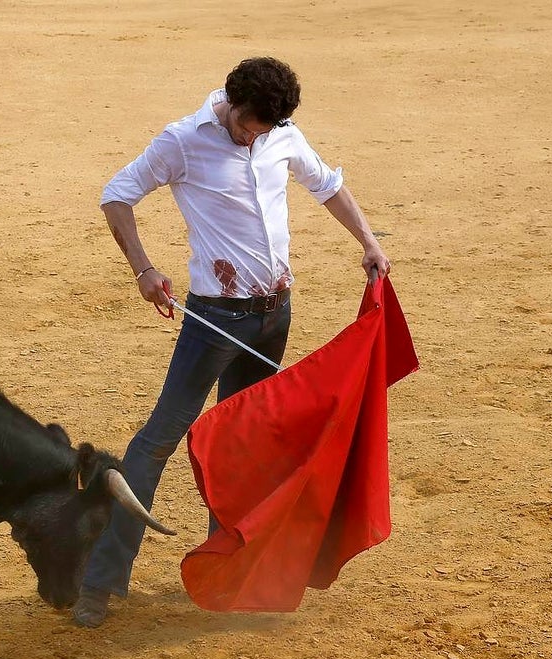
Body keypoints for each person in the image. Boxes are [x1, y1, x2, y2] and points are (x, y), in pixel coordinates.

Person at [73, 57, 391, 628]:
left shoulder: (281, 133)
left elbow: (328, 186)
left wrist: (367, 240)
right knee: (156, 442)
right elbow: (116, 194)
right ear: (231, 105)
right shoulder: (182, 142)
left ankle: (232, 565)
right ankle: (100, 580)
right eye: (250, 127)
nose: (257, 137)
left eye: (267, 129)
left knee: (249, 441)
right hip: (213, 319)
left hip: (274, 315)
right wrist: (143, 270)